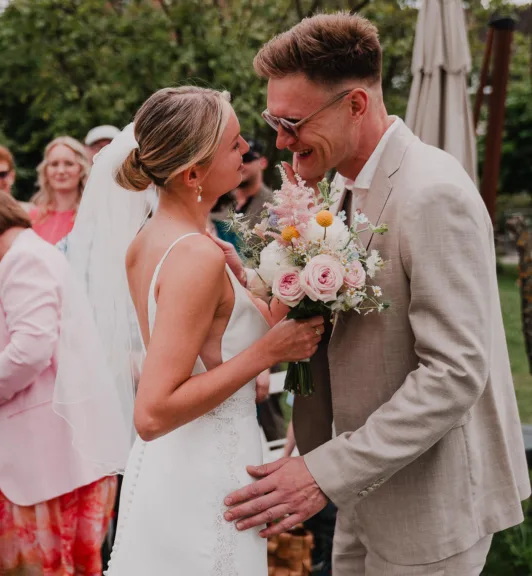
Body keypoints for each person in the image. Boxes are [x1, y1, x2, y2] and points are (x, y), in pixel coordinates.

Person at [224, 14, 530, 575]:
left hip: (428, 508)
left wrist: (325, 472)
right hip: (362, 494)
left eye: (292, 122)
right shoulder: (342, 186)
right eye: (274, 121)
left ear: (356, 105)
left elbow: (454, 373)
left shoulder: (433, 193)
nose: (280, 140)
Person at [59, 87, 324, 574]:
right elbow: (152, 412)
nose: (245, 149)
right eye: (233, 142)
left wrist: (267, 278)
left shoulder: (154, 241)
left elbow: (210, 342)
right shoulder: (195, 255)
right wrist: (267, 354)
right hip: (203, 471)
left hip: (179, 461)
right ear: (193, 174)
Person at [0, 190, 118, 574]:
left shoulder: (24, 260)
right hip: (52, 447)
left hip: (40, 452)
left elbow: (31, 349)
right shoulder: (40, 255)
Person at [29, 136, 90, 245]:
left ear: (81, 169)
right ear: (46, 170)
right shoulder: (32, 218)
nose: (61, 171)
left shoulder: (91, 216)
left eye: (69, 164)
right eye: (54, 164)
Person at [232, 137, 272, 228]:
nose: (240, 164)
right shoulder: (217, 199)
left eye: (246, 158)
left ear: (263, 163)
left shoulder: (274, 205)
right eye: (236, 159)